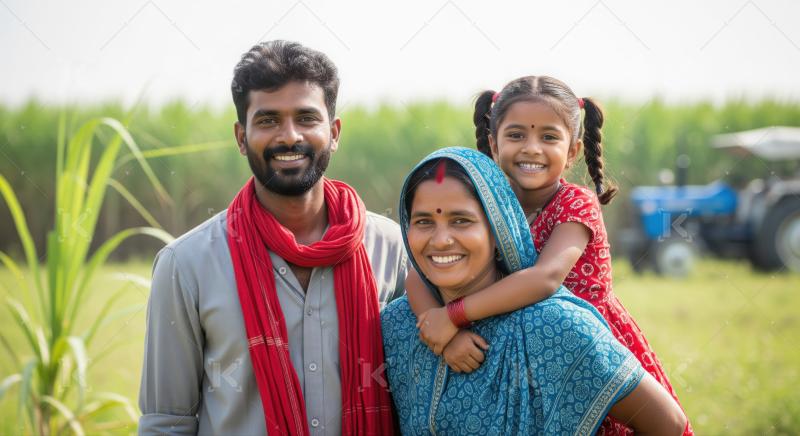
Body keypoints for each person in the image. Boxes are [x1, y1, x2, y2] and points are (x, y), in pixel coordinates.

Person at [138, 40, 406, 435]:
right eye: (267, 121)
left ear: (333, 133)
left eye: (306, 118)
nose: (289, 136)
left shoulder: (393, 249)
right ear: (241, 137)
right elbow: (166, 423)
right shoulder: (186, 265)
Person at [407, 76, 692, 435]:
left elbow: (544, 279)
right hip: (521, 350)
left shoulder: (576, 204)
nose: (531, 148)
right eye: (515, 135)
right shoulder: (486, 206)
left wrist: (454, 315)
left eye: (548, 137)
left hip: (582, 350)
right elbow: (418, 271)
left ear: (572, 150)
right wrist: (440, 330)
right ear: (493, 143)